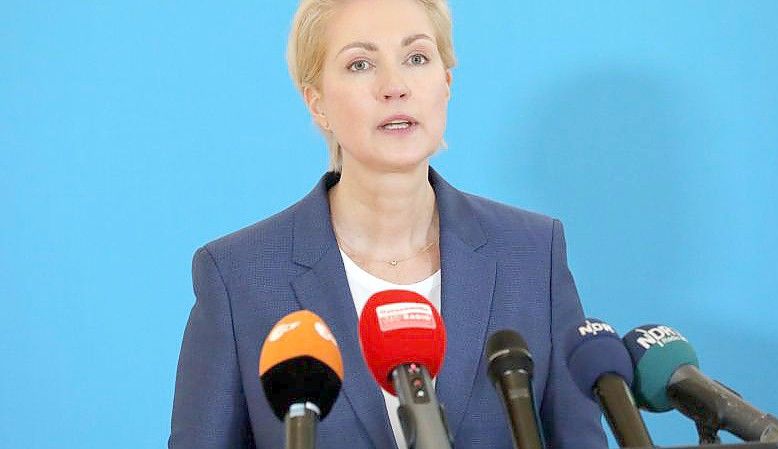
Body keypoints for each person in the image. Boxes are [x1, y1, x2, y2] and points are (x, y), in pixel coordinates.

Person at [169, 0, 608, 448]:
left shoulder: (533, 254)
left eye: (416, 58)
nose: (395, 86)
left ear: (446, 82)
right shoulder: (240, 276)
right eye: (360, 64)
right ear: (316, 102)